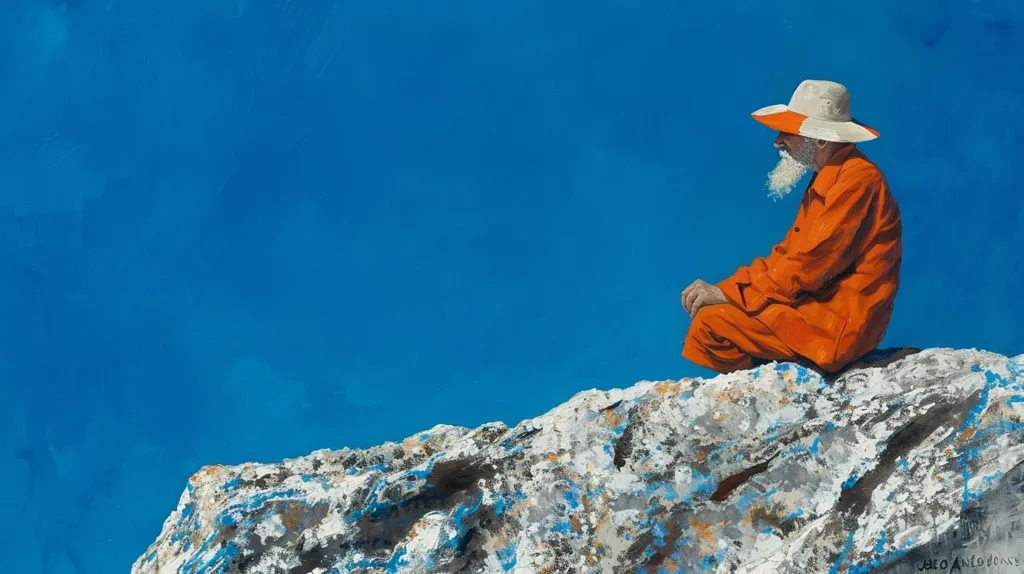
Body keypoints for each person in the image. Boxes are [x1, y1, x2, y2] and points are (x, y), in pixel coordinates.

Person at [681, 79, 903, 375]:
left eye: (789, 132)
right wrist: (726, 290)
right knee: (711, 321)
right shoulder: (833, 176)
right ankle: (771, 384)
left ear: (821, 140)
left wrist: (731, 295)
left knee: (710, 323)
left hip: (835, 329)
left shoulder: (857, 180)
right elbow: (786, 256)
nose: (777, 141)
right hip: (816, 314)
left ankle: (773, 387)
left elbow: (808, 266)